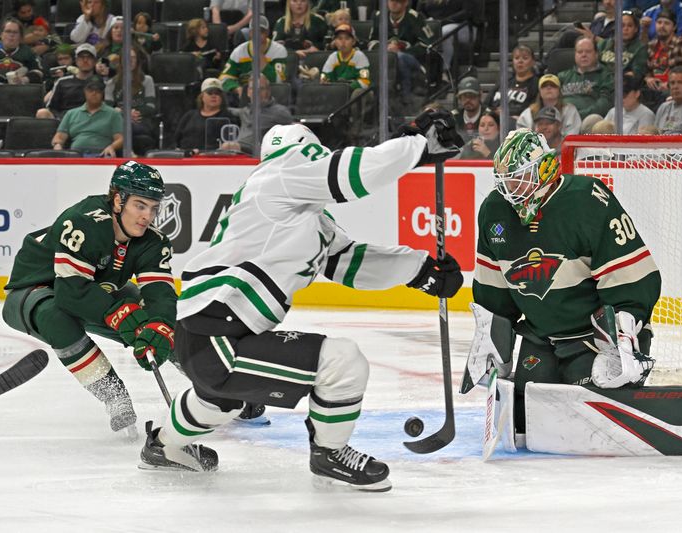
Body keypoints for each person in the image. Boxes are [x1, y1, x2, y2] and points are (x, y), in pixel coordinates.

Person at [138, 114, 465, 491]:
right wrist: (417, 145)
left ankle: (162, 446)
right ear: (300, 152)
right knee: (342, 362)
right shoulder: (278, 179)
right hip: (219, 335)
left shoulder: (300, 213)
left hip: (205, 336)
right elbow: (351, 174)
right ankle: (330, 453)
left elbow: (348, 263)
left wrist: (419, 270)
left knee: (218, 400)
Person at [469, 127, 660, 444]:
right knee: (525, 418)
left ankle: (627, 366)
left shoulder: (586, 199)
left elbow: (632, 279)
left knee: (588, 420)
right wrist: (491, 342)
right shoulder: (494, 210)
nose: (511, 188)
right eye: (505, 180)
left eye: (518, 177)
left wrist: (622, 339)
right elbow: (494, 292)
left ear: (544, 169)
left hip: (593, 338)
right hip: (541, 335)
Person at [1, 161, 175, 437]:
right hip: (33, 290)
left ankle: (214, 390)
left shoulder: (154, 241)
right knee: (57, 318)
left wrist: (160, 326)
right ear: (118, 200)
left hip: (96, 288)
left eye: (153, 208)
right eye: (140, 205)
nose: (147, 216)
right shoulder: (85, 221)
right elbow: (71, 293)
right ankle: (113, 395)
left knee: (161, 325)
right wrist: (123, 315)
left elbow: (161, 294)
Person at [368, 0, 431, 106]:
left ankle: (405, 95)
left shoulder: (415, 17)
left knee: (399, 57)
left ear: (405, 3)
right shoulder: (379, 16)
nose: (394, 4)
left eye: (398, 1)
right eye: (391, 1)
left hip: (413, 60)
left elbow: (427, 44)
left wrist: (401, 49)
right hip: (386, 57)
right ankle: (380, 99)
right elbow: (371, 42)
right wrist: (385, 48)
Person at [51, 77, 123, 156]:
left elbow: (120, 138)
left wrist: (112, 147)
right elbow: (59, 137)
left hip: (101, 154)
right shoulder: (71, 113)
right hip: (75, 154)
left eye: (98, 90)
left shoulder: (113, 114)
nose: (94, 93)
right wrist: (57, 145)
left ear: (102, 93)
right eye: (90, 90)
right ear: (84, 91)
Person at [220, 15, 287, 98]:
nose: (257, 35)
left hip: (270, 94)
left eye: (261, 31)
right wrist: (237, 88)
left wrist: (259, 53)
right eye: (254, 31)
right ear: (250, 33)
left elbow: (279, 81)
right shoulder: (239, 51)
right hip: (243, 95)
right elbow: (224, 78)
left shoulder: (279, 51)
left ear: (267, 33)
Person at [105, 48, 157, 155]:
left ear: (137, 61)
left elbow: (151, 107)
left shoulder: (147, 80)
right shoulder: (112, 83)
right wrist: (127, 113)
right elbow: (107, 108)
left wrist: (126, 112)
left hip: (140, 121)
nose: (131, 61)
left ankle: (128, 153)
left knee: (127, 126)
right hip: (119, 121)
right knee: (123, 125)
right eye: (127, 58)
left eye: (133, 58)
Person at [225, 75, 293, 154]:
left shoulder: (280, 112)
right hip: (238, 153)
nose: (256, 92)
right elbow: (225, 110)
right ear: (248, 92)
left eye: (261, 89)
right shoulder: (244, 111)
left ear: (268, 91)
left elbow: (293, 132)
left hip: (260, 154)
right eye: (252, 88)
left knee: (227, 146)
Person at [558, 36, 614, 125]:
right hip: (562, 121)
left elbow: (604, 105)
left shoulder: (606, 76)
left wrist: (575, 116)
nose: (583, 55)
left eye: (588, 51)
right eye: (580, 52)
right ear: (575, 55)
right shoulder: (562, 76)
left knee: (594, 119)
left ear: (596, 54)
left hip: (589, 122)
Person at [174, 78, 238, 152]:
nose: (214, 96)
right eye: (210, 92)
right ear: (202, 97)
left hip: (213, 159)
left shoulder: (228, 118)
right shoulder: (189, 115)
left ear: (222, 97)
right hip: (186, 158)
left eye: (217, 93)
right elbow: (176, 140)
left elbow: (231, 144)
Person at [37, 43, 98, 119]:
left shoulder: (101, 83)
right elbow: (51, 107)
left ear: (95, 61)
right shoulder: (62, 81)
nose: (85, 60)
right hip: (65, 120)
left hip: (91, 119)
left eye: (89, 57)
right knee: (42, 112)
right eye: (81, 57)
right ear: (76, 60)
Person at [642, 8, 682, 110]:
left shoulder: (681, 44)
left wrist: (669, 83)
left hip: (671, 87)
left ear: (674, 27)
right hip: (653, 87)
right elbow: (645, 68)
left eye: (666, 23)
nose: (662, 26)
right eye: (659, 22)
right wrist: (648, 78)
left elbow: (681, 70)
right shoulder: (652, 45)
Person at [516, 73, 582, 138]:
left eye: (553, 85)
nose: (548, 87)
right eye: (544, 86)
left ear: (559, 90)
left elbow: (572, 136)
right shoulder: (530, 112)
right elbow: (522, 136)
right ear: (540, 91)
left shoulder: (570, 110)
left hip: (562, 147)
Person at [485, 45, 539, 122]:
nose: (520, 61)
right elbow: (486, 104)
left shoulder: (536, 83)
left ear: (533, 62)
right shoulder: (504, 82)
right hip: (495, 122)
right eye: (516, 58)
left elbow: (533, 107)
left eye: (525, 58)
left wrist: (506, 113)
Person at [0, 18, 43, 85]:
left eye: (15, 32)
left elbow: (39, 72)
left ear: (20, 36)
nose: (11, 35)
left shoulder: (27, 52)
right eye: (8, 31)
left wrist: (24, 80)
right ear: (1, 34)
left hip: (16, 91)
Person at [597, 9, 648, 80]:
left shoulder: (640, 48)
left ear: (636, 29)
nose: (625, 29)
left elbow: (636, 73)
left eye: (629, 26)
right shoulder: (603, 44)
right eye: (622, 25)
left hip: (624, 86)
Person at [451, 76, 484, 141]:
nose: (468, 100)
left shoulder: (488, 116)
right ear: (459, 98)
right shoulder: (454, 117)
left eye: (472, 96)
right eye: (465, 96)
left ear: (480, 96)